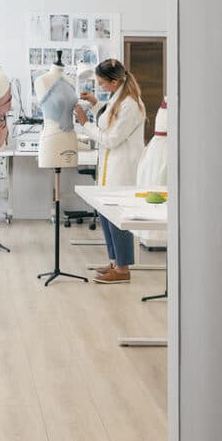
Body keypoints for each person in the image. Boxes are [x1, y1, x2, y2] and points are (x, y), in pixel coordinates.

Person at [73, 59, 146, 284]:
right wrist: (96, 105)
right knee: (105, 214)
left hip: (121, 167)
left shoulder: (130, 104)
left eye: (102, 83)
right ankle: (115, 261)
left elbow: (111, 138)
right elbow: (108, 120)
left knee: (117, 217)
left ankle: (123, 269)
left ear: (114, 82)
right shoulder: (118, 98)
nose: (101, 86)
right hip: (109, 164)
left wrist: (85, 123)